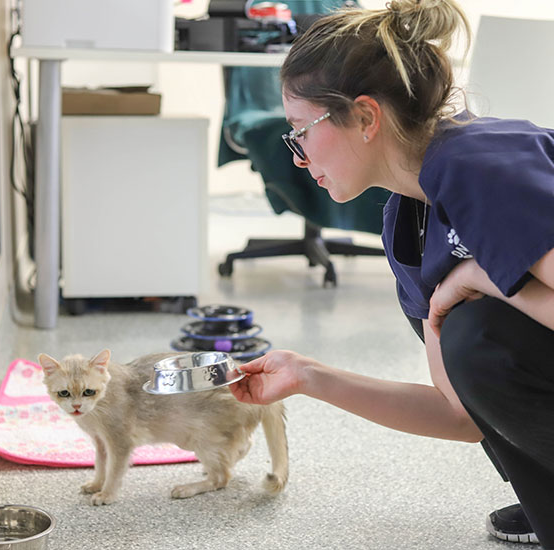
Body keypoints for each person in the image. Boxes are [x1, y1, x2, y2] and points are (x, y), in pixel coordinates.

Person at [229, 0, 554, 547]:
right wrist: (308, 376)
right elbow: (462, 415)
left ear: (364, 117)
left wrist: (481, 276)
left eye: (300, 131)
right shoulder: (406, 222)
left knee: (480, 336)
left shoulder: (481, 165)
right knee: (470, 342)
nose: (298, 157)